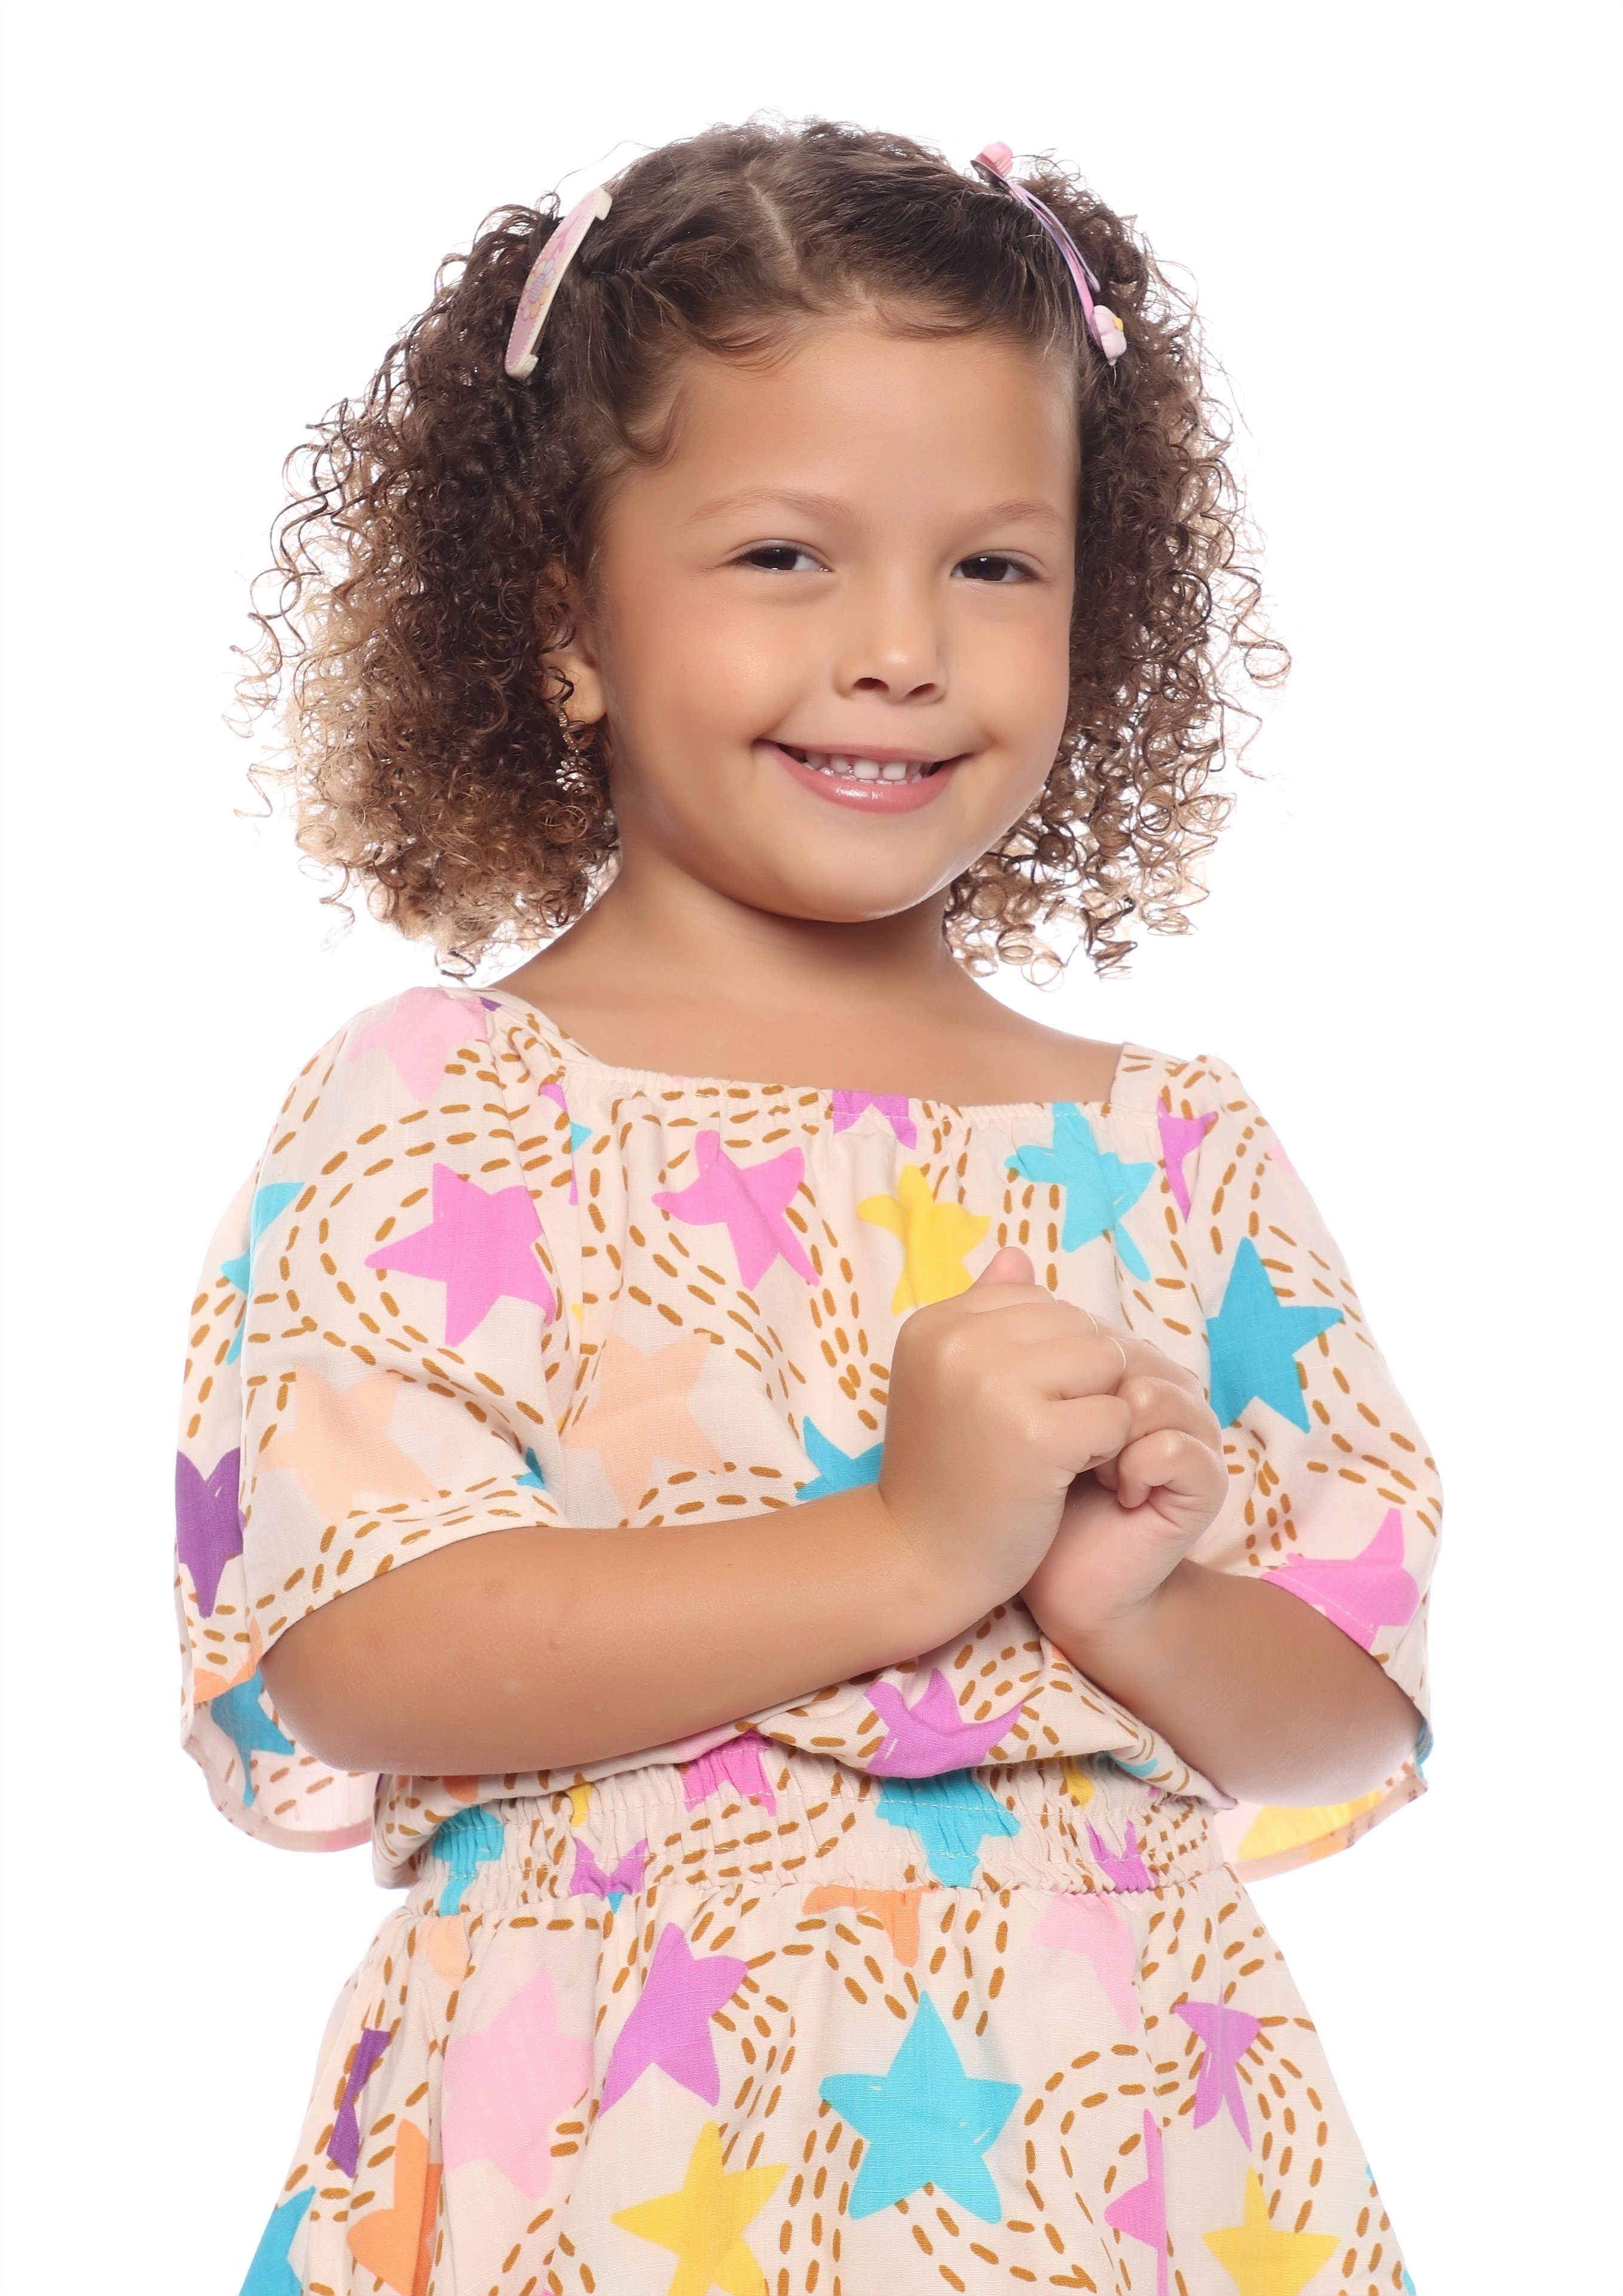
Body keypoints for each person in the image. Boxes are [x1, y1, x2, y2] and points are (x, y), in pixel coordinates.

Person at [176, 120, 1435, 2296]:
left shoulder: (1169, 1151)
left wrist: (1126, 1609)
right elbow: (356, 1649)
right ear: (566, 622)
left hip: (1115, 2149)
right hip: (611, 2154)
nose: (900, 648)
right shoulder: (453, 1108)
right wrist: (910, 1549)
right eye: (783, 554)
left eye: (995, 566)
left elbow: (1358, 1705)